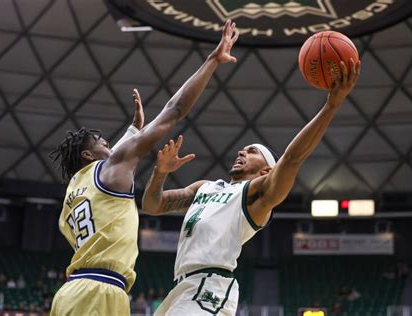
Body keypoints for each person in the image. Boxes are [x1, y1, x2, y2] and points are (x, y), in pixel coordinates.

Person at [48, 20, 239, 316]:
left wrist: (134, 129)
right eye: (102, 142)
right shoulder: (110, 167)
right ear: (88, 154)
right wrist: (212, 60)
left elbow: (110, 176)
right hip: (101, 291)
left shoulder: (74, 189)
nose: (109, 144)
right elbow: (173, 112)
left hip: (71, 292)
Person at [142, 60, 361, 315]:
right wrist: (160, 174)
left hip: (209, 287)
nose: (242, 151)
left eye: (252, 151)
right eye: (243, 149)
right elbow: (152, 205)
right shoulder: (205, 187)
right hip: (181, 288)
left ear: (267, 170)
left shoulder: (256, 199)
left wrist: (331, 105)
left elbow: (292, 159)